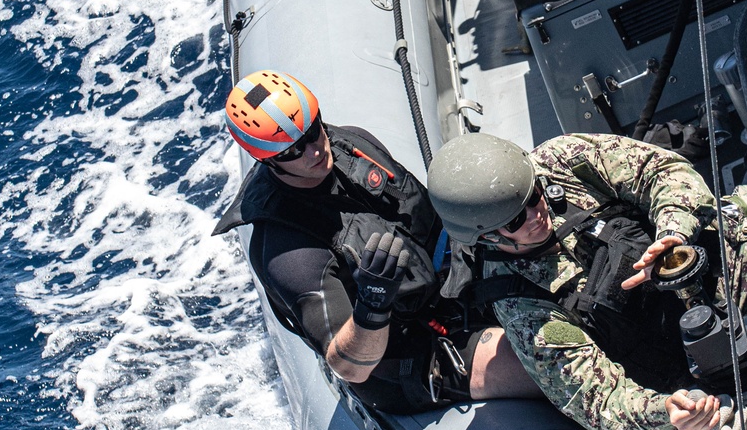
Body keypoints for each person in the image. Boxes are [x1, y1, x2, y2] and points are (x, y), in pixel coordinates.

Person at [427, 130, 747, 430]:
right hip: (661, 361)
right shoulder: (522, 304)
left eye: (534, 197)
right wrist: (668, 412)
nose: (535, 214)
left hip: (697, 274)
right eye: (515, 221)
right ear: (487, 238)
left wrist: (674, 231)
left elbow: (660, 171)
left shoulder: (563, 161)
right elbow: (596, 399)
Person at [213, 69, 536, 412]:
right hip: (411, 349)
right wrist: (372, 304)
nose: (313, 152)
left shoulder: (353, 144)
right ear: (267, 160)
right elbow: (349, 367)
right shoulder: (289, 252)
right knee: (546, 363)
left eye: (312, 130)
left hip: (453, 284)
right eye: (291, 152)